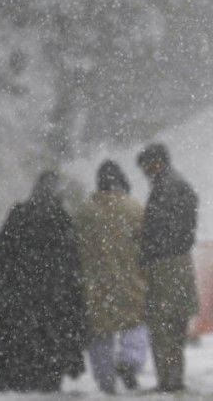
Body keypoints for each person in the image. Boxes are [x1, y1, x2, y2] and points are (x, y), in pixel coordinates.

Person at [0, 171, 86, 393]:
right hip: (52, 303)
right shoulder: (62, 219)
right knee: (47, 362)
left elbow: (1, 259)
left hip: (19, 300)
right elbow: (71, 266)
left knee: (19, 353)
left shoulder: (18, 215)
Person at [74, 160, 149, 394]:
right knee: (135, 321)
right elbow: (145, 242)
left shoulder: (85, 211)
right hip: (129, 277)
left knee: (100, 330)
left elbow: (75, 246)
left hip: (95, 281)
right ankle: (130, 361)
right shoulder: (134, 208)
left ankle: (105, 379)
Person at [137, 143, 198, 393]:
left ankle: (167, 380)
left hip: (165, 265)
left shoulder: (165, 187)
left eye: (145, 165)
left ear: (156, 162)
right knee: (176, 323)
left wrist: (146, 246)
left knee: (163, 324)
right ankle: (175, 377)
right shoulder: (178, 184)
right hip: (179, 262)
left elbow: (159, 229)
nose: (143, 172)